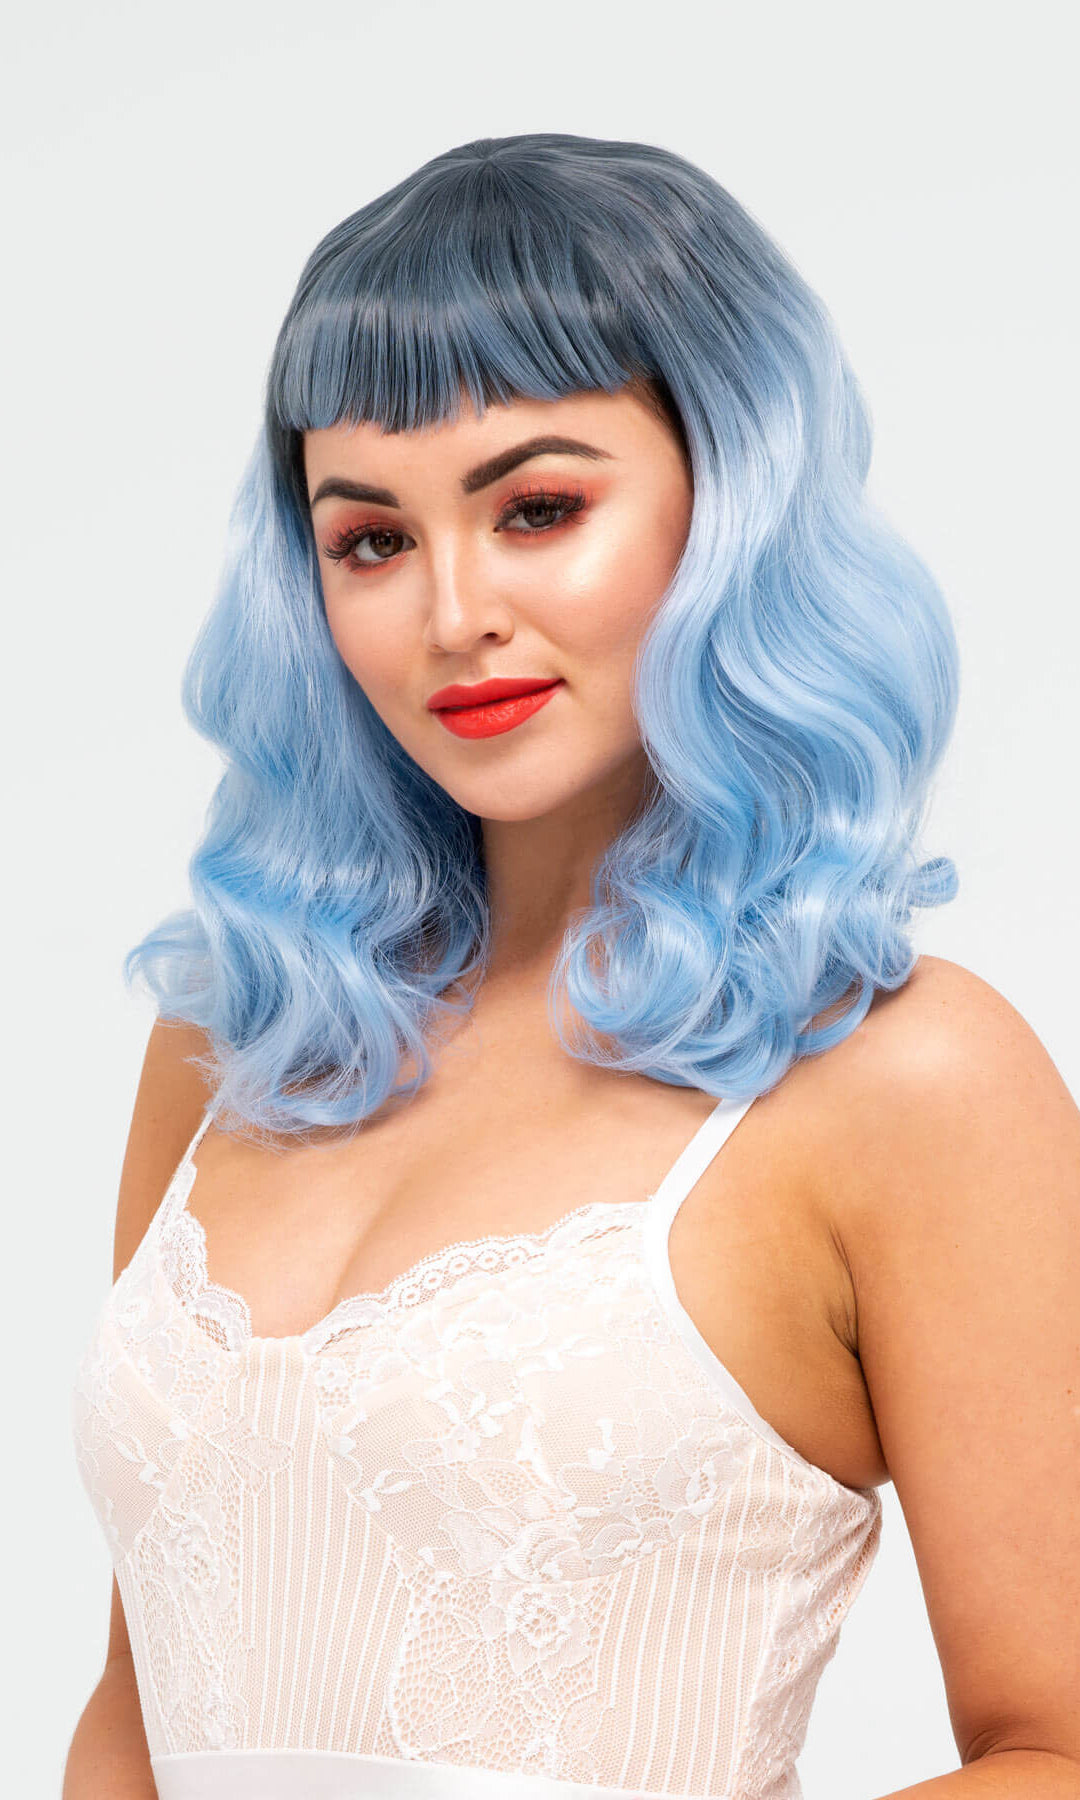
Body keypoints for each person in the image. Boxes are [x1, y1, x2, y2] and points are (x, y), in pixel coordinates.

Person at [64, 133, 1079, 1800]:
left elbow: (1060, 1748)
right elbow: (135, 1709)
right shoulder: (238, 1039)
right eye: (369, 539)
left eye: (538, 508)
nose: (453, 610)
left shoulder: (903, 1080)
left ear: (726, 500)